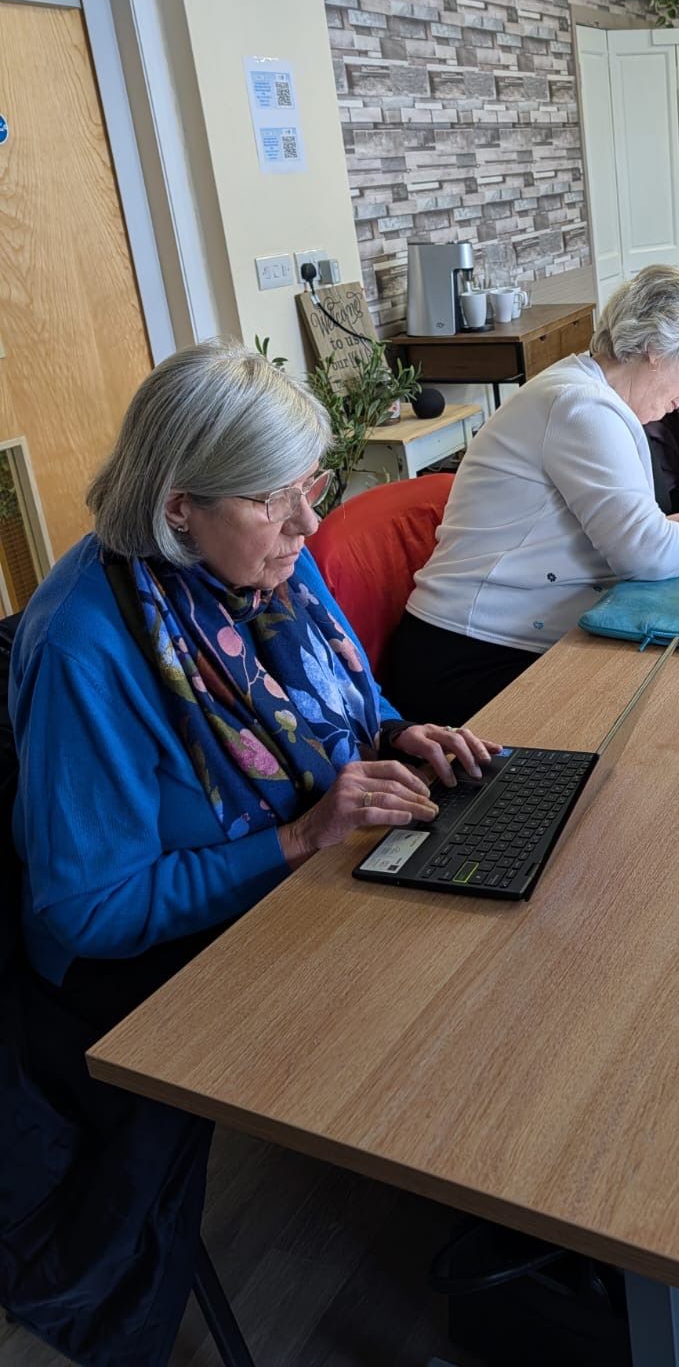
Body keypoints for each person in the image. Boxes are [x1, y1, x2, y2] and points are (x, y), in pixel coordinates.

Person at [2, 341, 496, 1365]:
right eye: (275, 500)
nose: (308, 523)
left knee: (494, 931)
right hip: (141, 967)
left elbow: (347, 698)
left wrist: (400, 732)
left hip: (289, 876)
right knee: (455, 1003)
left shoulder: (260, 565)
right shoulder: (88, 646)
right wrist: (298, 836)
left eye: (308, 488)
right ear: (179, 505)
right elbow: (80, 912)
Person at [383, 265, 679, 724]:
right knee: (677, 715)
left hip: (503, 640)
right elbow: (644, 556)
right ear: (654, 347)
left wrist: (664, 528)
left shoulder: (589, 394)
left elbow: (619, 533)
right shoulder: (582, 405)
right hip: (469, 658)